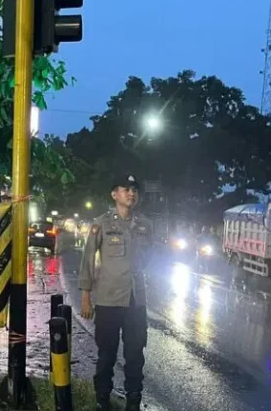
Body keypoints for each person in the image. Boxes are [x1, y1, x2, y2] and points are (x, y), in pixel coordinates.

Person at [79, 174, 154, 411]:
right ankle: (102, 397)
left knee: (135, 355)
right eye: (125, 189)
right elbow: (88, 260)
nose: (131, 193)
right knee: (106, 354)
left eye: (134, 189)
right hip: (109, 300)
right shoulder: (101, 224)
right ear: (114, 195)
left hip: (136, 301)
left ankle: (133, 399)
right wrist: (86, 296)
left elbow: (150, 256)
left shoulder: (145, 225)